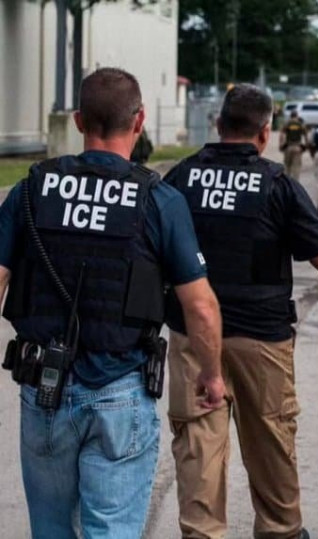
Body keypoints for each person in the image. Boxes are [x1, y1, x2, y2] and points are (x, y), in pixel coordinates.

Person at [0, 67, 224, 539]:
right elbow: (200, 306)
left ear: (80, 121)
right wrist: (211, 374)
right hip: (119, 391)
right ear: (139, 121)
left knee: (51, 530)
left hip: (44, 388)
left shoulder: (31, 190)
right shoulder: (159, 199)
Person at [163, 84, 318, 539]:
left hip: (193, 335)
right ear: (265, 132)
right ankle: (280, 530)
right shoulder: (277, 185)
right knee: (271, 437)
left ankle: (202, 533)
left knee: (198, 442)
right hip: (262, 337)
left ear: (218, 125)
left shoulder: (181, 177)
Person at [280, 111, 308, 180]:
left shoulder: (287, 124)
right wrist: (305, 146)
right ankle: (295, 184)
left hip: (288, 147)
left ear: (291, 116)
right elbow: (306, 136)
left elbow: (282, 135)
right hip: (298, 147)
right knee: (296, 168)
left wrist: (281, 145)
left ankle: (286, 183)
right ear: (297, 116)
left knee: (287, 166)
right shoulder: (300, 124)